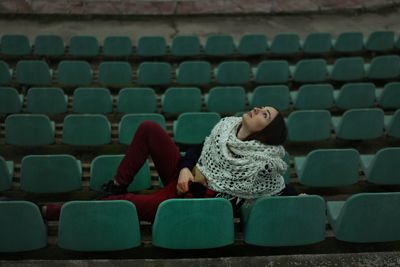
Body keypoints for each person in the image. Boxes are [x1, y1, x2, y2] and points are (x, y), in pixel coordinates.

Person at [45, 106, 295, 222]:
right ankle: (117, 184)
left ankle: (49, 211)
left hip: (190, 202)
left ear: (265, 134)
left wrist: (301, 200)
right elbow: (198, 150)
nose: (258, 109)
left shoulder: (264, 163)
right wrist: (186, 168)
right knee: (149, 128)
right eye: (262, 107)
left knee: (121, 206)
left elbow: (279, 190)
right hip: (184, 177)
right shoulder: (226, 128)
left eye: (265, 114)